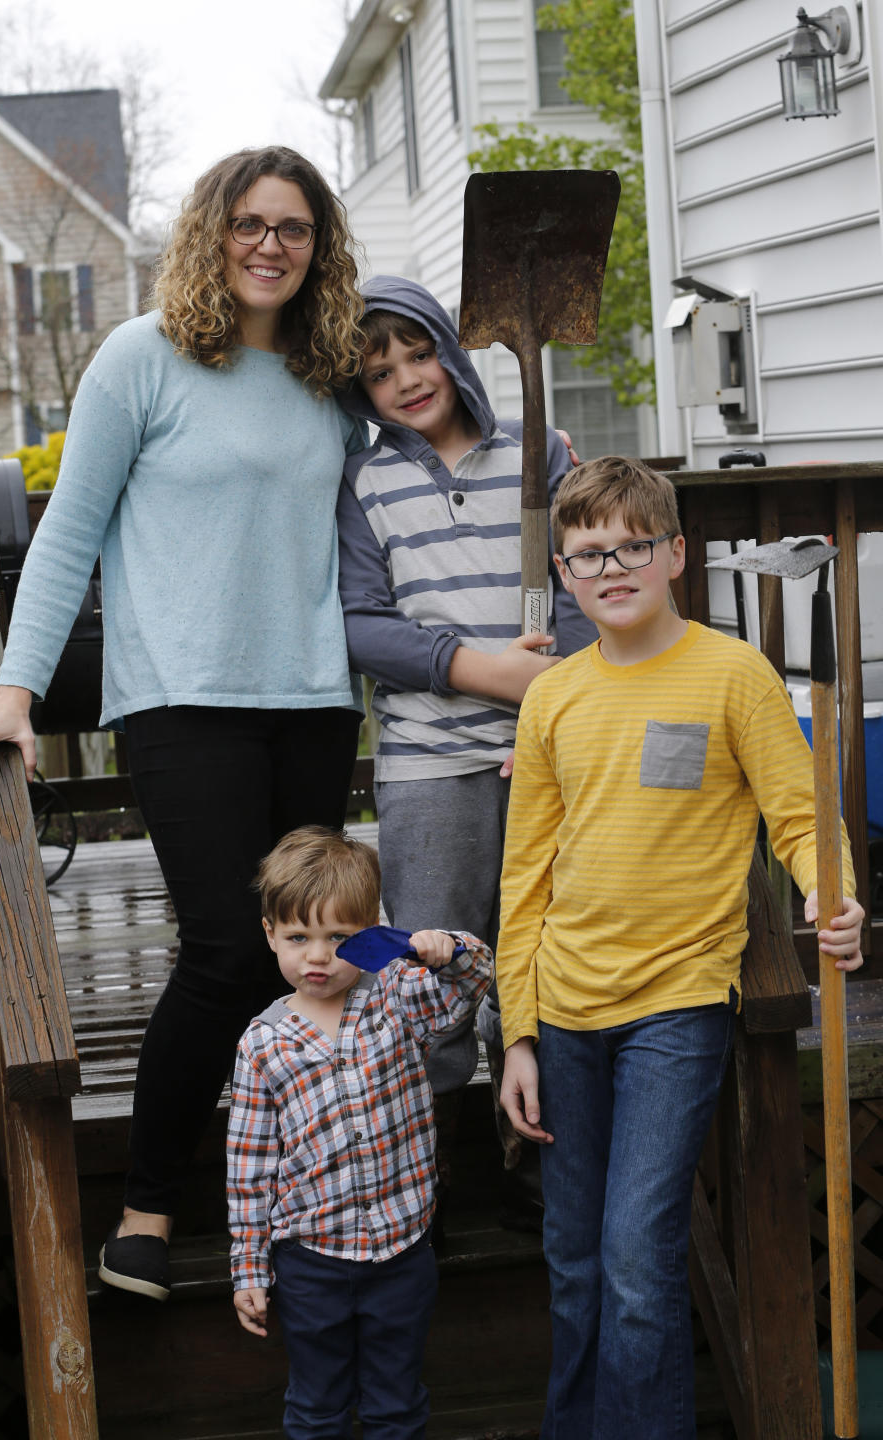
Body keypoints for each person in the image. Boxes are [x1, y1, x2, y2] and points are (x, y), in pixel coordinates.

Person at [0, 146, 369, 1301]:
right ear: (210, 233)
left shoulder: (334, 379)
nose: (269, 244)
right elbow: (66, 533)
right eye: (248, 222)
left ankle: (284, 1191)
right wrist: (18, 689)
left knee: (306, 966)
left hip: (315, 704)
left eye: (293, 226)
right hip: (182, 699)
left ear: (319, 245)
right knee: (229, 950)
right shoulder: (144, 359)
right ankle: (149, 1198)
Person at [496, 455, 866, 1438]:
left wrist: (835, 895)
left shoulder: (731, 673)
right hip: (563, 1013)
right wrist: (518, 1034)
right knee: (574, 1262)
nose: (611, 567)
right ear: (566, 576)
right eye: (588, 554)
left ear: (674, 555)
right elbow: (524, 876)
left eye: (631, 547)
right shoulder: (552, 697)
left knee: (635, 1257)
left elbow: (798, 816)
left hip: (676, 1009)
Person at [335, 275, 597, 1228]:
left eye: (419, 353)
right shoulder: (367, 486)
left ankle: (537, 1160)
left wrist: (557, 712)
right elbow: (362, 626)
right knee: (433, 962)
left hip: (553, 760)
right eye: (378, 373)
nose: (407, 379)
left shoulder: (545, 456)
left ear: (454, 346)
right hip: (431, 763)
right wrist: (474, 667)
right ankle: (432, 1178)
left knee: (542, 959)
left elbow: (584, 600)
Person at [227, 825, 493, 1440]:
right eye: (299, 937)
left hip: (401, 1251)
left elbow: (477, 978)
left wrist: (445, 948)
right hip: (309, 1260)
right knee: (317, 1406)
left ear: (370, 933)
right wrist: (248, 1268)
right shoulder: (263, 1044)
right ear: (270, 935)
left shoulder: (397, 998)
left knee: (395, 1404)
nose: (318, 957)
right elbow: (249, 1167)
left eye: (339, 938)